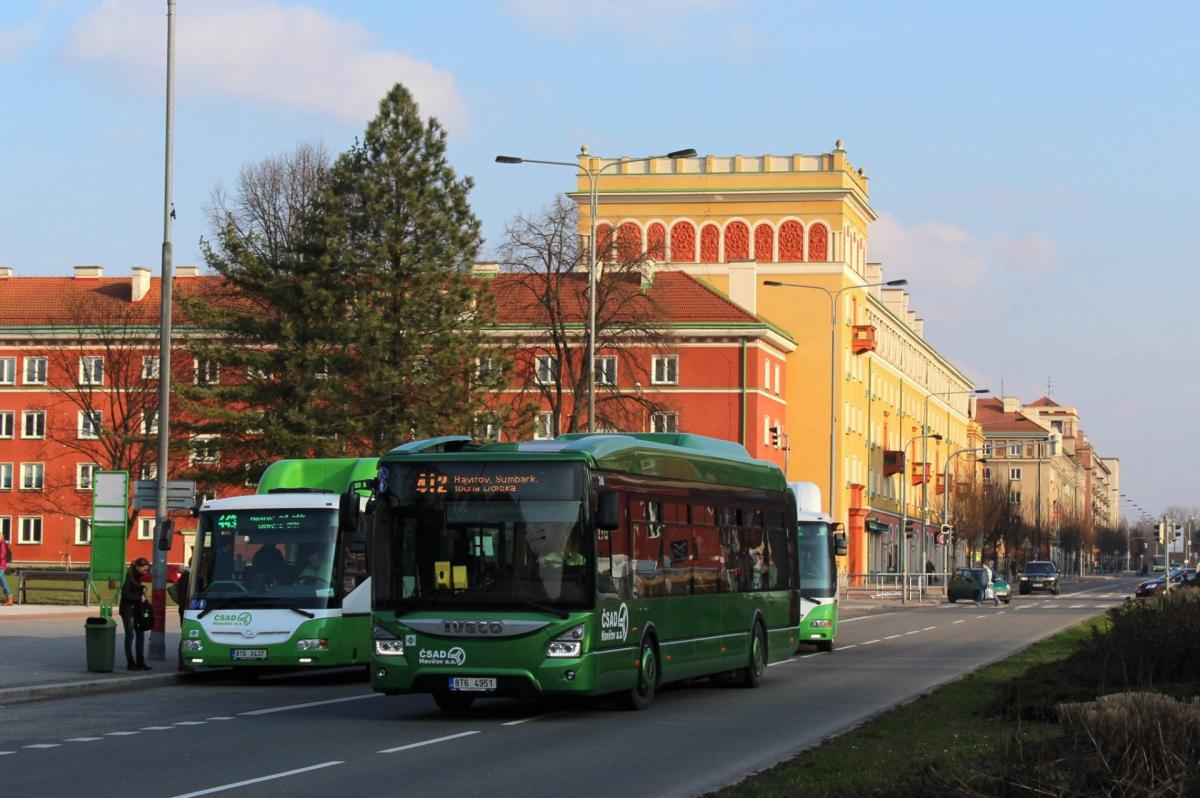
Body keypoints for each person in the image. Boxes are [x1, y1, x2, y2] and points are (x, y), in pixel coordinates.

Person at [119, 557, 152, 671]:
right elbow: (126, 594)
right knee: (130, 635)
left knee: (140, 635)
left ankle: (140, 660)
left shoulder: (136, 578)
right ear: (138, 567)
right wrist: (139, 598)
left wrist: (142, 588)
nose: (145, 571)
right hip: (128, 611)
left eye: (147, 569)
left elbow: (136, 588)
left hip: (136, 610)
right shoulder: (129, 578)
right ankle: (130, 661)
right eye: (144, 569)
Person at [0, 533, 13, 606]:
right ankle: (9, 599)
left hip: (1, 566)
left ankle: (9, 599)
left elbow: (2, 554)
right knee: (3, 583)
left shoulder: (2, 543)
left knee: (3, 583)